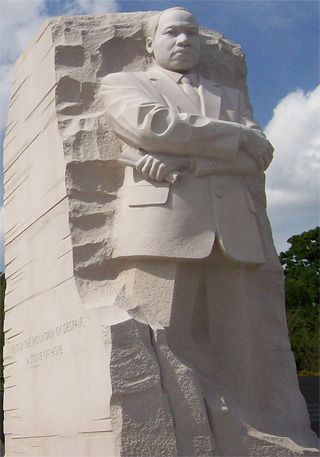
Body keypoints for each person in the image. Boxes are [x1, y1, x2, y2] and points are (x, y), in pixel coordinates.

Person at [101, 7, 317, 452]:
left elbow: (258, 155)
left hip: (235, 232)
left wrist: (192, 158)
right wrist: (230, 137)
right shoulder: (125, 83)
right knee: (157, 344)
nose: (183, 41)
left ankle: (253, 437)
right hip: (163, 227)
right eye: (173, 33)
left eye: (191, 34)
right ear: (150, 44)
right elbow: (151, 125)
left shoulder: (229, 95)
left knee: (243, 352)